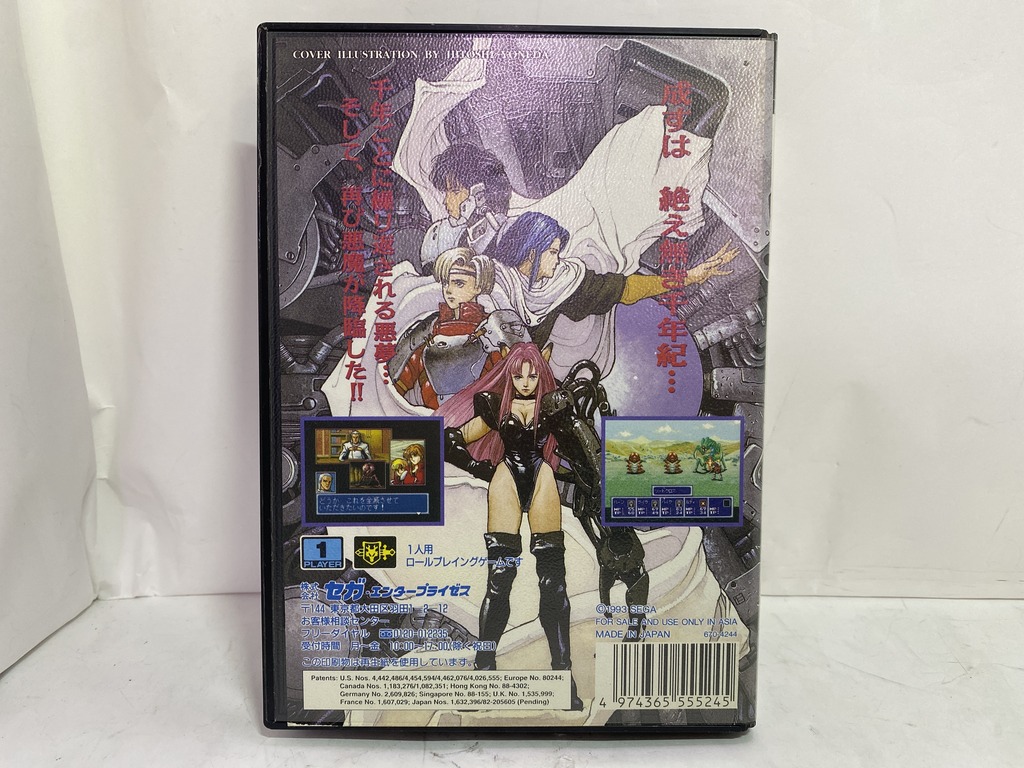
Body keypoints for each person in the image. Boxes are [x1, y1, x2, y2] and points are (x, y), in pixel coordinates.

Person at [437, 343, 582, 710]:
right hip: (505, 480)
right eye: (519, 375)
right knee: (499, 581)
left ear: (543, 369)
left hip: (542, 478)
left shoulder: (552, 407)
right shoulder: (497, 406)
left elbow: (578, 449)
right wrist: (479, 469)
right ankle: (483, 673)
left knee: (553, 581)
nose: (526, 382)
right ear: (510, 373)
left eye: (532, 374)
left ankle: (563, 678)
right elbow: (451, 439)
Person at [491, 211, 738, 353]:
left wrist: (689, 277)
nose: (558, 260)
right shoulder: (490, 277)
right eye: (553, 252)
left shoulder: (563, 282)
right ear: (532, 253)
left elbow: (626, 289)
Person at [391, 248, 503, 410]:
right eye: (445, 283)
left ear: (478, 286)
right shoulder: (432, 325)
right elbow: (410, 371)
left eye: (458, 283)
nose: (448, 289)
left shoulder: (491, 327)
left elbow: (503, 376)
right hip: (430, 414)